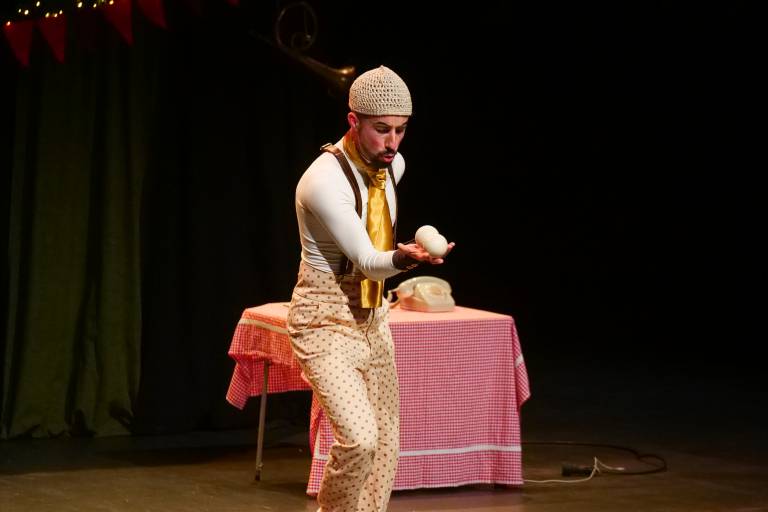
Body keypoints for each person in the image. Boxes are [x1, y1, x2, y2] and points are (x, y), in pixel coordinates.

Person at [287, 65, 454, 512]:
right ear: (353, 121)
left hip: (374, 318)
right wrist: (407, 257)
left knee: (384, 446)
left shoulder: (393, 165)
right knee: (359, 439)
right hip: (325, 319)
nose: (393, 142)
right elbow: (368, 263)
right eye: (382, 130)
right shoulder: (324, 180)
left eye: (401, 130)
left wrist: (405, 256)